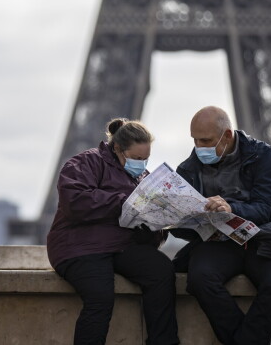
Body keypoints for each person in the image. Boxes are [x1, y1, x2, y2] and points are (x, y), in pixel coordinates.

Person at [47, 118, 179, 345]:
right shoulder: (85, 162)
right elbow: (75, 201)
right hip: (81, 246)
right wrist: (125, 202)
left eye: (146, 158)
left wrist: (158, 223)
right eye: (137, 158)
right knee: (100, 296)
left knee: (162, 272)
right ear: (118, 148)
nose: (142, 164)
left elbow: (150, 237)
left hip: (121, 246)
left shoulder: (144, 178)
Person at [173, 106, 271, 345]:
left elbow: (268, 209)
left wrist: (231, 208)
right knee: (199, 280)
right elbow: (182, 230)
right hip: (219, 242)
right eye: (195, 140)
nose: (199, 147)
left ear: (227, 135)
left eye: (206, 140)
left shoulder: (263, 156)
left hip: (260, 240)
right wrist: (171, 219)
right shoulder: (187, 169)